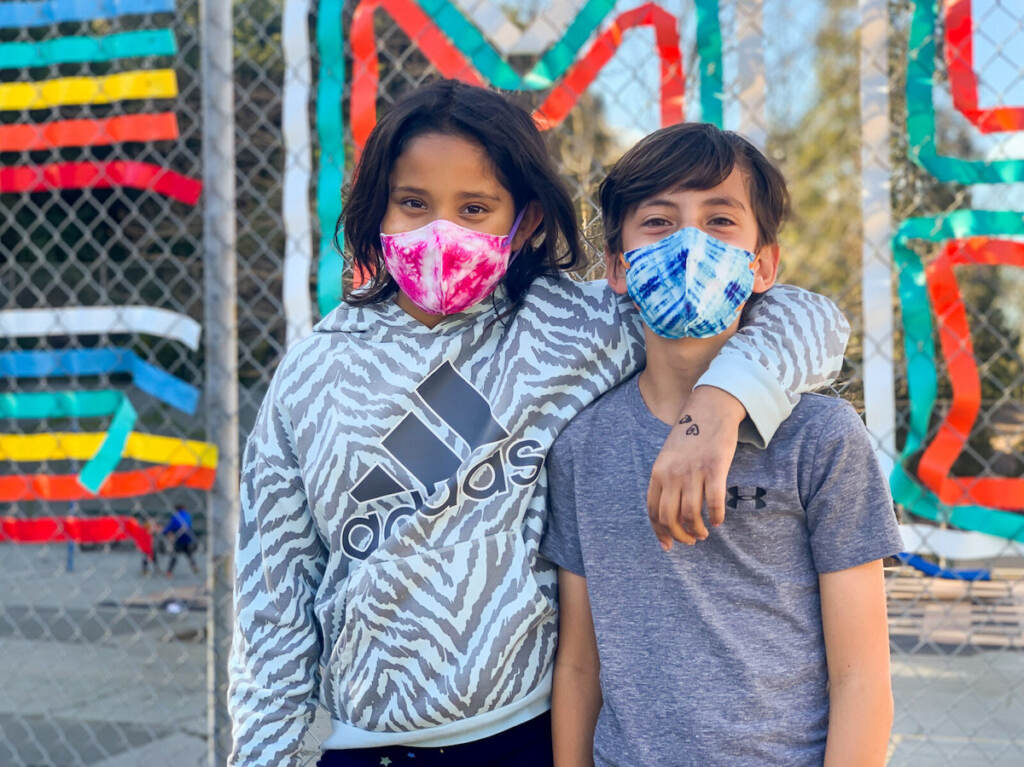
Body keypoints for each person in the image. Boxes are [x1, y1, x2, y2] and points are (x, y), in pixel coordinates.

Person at [228, 80, 850, 767]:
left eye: (475, 208)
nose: (443, 231)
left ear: (521, 223)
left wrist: (717, 405)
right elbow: (272, 608)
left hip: (525, 735)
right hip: (365, 745)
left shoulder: (578, 326)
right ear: (377, 207)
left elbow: (810, 319)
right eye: (413, 204)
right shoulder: (312, 372)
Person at [541, 122, 902, 767]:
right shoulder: (582, 447)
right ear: (618, 267)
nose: (689, 243)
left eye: (720, 221)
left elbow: (863, 677)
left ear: (764, 265)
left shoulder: (822, 438)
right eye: (657, 221)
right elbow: (578, 667)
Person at [163, 505, 199, 576]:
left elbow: (171, 527)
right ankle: (194, 567)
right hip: (188, 538)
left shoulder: (176, 517)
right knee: (189, 554)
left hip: (179, 539)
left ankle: (169, 572)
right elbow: (189, 526)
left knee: (174, 556)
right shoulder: (188, 516)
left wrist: (165, 532)